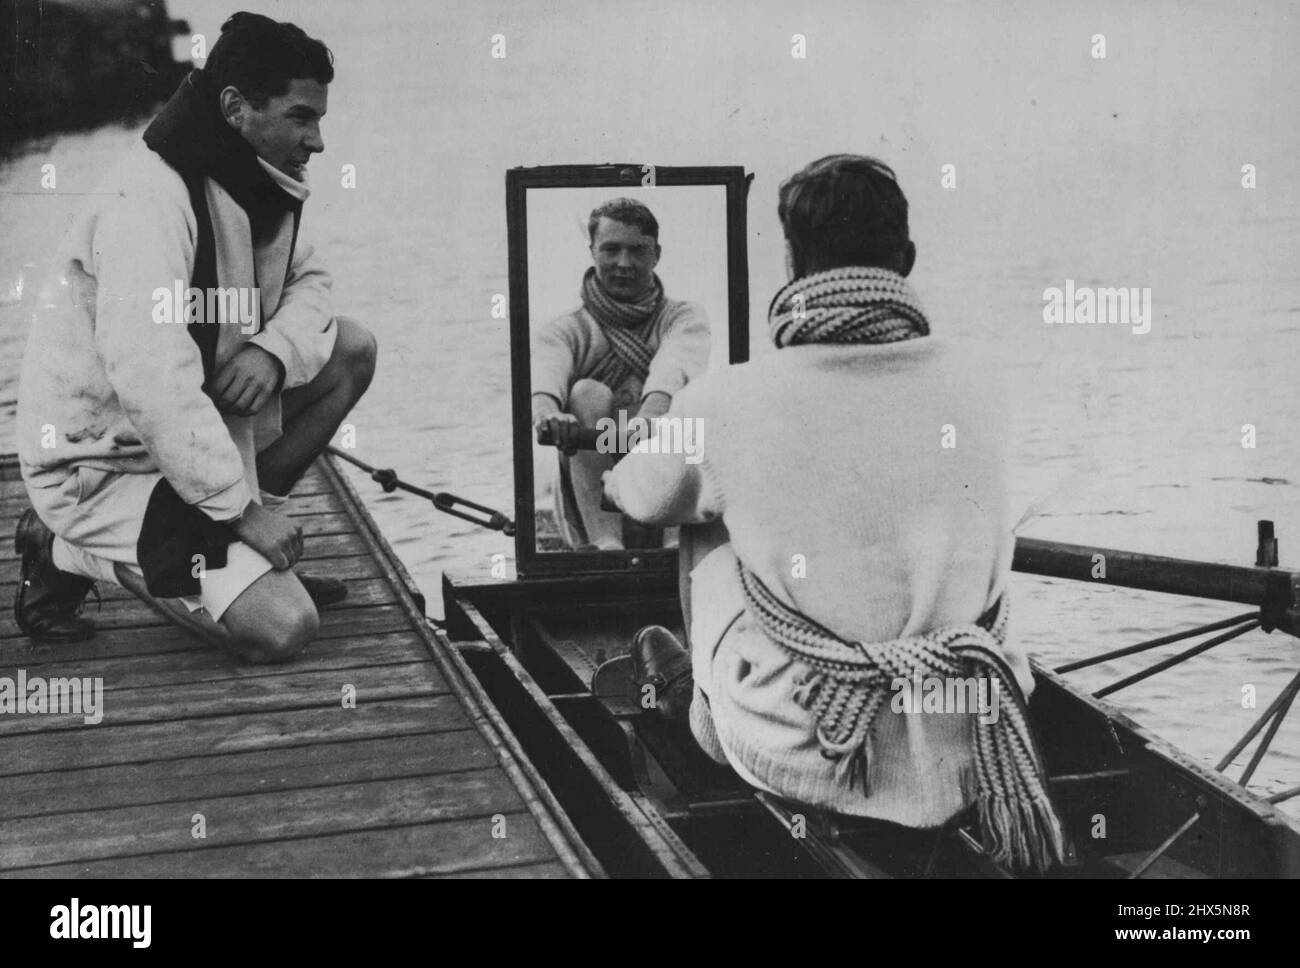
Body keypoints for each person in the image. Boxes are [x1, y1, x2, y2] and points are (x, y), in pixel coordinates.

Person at [605, 155, 1067, 870]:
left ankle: (701, 711)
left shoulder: (729, 400)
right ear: (906, 259)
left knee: (703, 520)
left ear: (792, 263)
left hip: (811, 746)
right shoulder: (985, 380)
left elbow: (634, 494)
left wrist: (658, 434)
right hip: (972, 733)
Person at [14, 12, 377, 663]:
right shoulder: (148, 202)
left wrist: (275, 349)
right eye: (301, 117)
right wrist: (239, 513)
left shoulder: (246, 177)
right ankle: (63, 544)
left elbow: (313, 280)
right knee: (284, 626)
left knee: (351, 350)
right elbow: (152, 381)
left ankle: (243, 557)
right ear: (236, 107)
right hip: (106, 464)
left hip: (182, 445)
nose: (317, 140)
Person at [531, 198, 709, 550]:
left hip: (661, 470)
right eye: (611, 249)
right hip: (593, 482)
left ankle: (674, 542)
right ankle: (606, 544)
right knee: (586, 393)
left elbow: (672, 368)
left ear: (656, 254)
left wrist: (648, 419)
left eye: (638, 251)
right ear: (593, 251)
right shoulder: (565, 330)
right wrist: (548, 414)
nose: (624, 263)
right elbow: (545, 375)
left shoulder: (684, 319)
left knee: (686, 405)